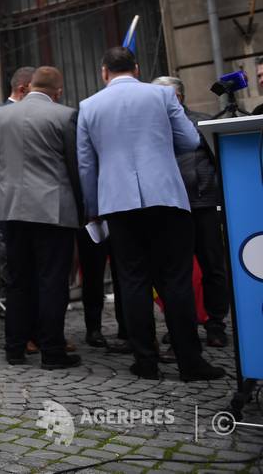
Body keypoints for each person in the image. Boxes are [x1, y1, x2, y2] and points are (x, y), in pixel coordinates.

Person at [77, 46, 224, 382]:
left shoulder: (88, 107)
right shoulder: (161, 95)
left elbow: (87, 165)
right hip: (166, 196)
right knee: (176, 279)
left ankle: (145, 361)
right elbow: (189, 139)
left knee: (131, 281)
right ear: (137, 68)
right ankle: (190, 361)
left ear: (104, 72)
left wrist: (93, 209)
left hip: (118, 203)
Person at [0, 67, 82, 369]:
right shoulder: (65, 115)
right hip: (54, 211)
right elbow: (76, 165)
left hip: (11, 208)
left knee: (18, 282)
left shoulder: (1, 115)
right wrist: (84, 207)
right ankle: (52, 351)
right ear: (57, 92)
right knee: (52, 282)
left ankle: (14, 349)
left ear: (29, 86)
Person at [152, 75, 229, 347]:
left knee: (213, 268)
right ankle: (180, 326)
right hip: (169, 208)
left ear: (179, 98)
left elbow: (220, 163)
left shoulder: (202, 122)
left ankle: (216, 324)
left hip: (203, 206)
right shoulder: (152, 128)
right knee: (174, 272)